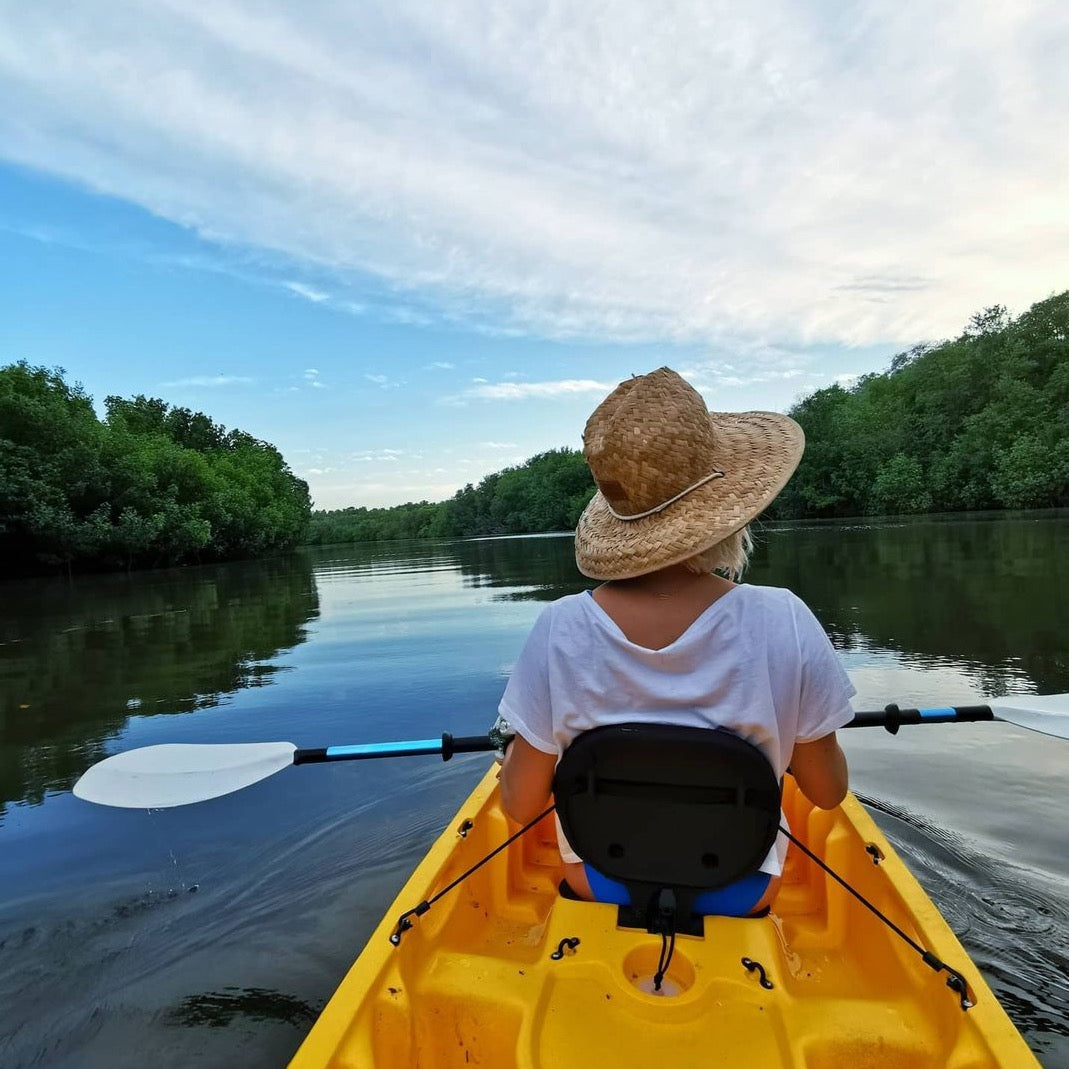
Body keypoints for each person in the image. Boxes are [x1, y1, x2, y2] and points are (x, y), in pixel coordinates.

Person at [493, 367, 854, 917]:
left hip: (600, 880)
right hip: (745, 891)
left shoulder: (559, 628)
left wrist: (515, 752)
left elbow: (519, 807)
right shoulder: (783, 617)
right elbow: (827, 792)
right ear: (730, 510)